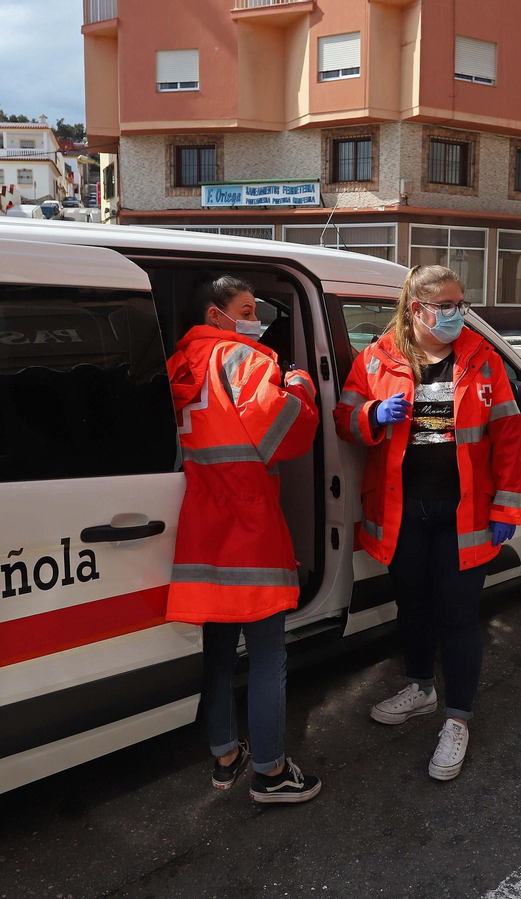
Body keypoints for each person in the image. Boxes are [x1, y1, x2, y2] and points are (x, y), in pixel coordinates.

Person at [334, 264, 521, 782]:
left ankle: (457, 719)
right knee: (412, 608)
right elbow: (344, 418)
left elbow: (507, 433)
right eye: (447, 306)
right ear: (416, 309)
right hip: (400, 515)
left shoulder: (482, 360)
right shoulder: (376, 358)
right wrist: (373, 415)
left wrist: (506, 505)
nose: (457, 314)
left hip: (463, 517)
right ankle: (420, 688)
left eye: (460, 303)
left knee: (459, 618)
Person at [166, 276, 323, 804]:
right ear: (217, 316)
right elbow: (288, 433)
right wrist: (299, 383)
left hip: (202, 530)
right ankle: (273, 774)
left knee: (217, 654)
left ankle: (226, 755)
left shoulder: (177, 366)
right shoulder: (245, 359)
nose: (255, 320)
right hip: (250, 528)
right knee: (267, 657)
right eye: (247, 309)